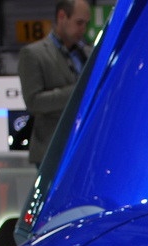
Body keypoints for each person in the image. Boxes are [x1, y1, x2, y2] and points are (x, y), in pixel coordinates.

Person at [17, 0, 92, 166]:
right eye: (79, 22)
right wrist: (77, 92)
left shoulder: (88, 53)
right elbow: (34, 102)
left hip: (86, 149)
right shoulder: (33, 54)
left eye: (86, 24)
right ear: (62, 16)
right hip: (52, 153)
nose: (83, 29)